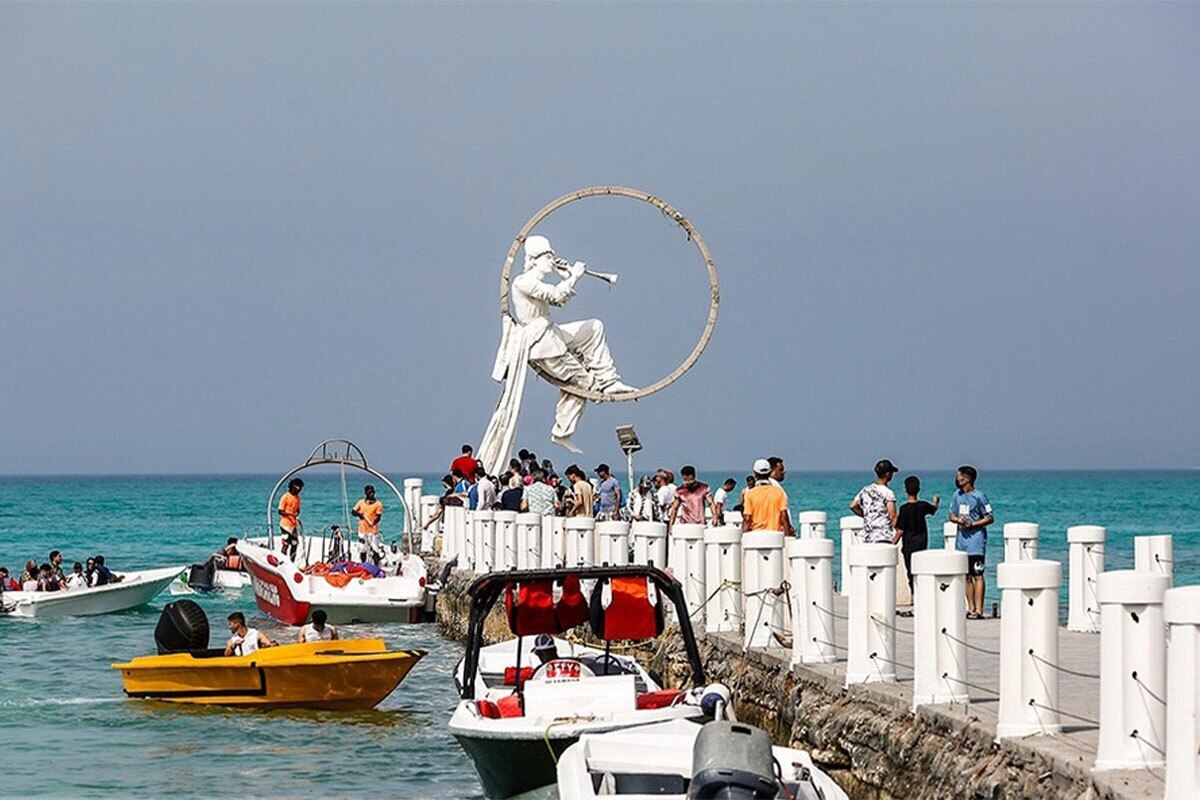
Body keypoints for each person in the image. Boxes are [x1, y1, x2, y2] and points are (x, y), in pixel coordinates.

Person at [493, 235, 636, 455]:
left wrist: (566, 277)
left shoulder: (537, 281)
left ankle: (608, 380)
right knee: (584, 384)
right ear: (535, 259)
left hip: (552, 331)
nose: (552, 259)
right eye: (548, 256)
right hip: (543, 344)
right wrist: (574, 277)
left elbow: (561, 300)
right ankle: (562, 431)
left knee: (594, 327)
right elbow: (556, 295)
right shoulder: (523, 281)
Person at [949, 465, 993, 620]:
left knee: (978, 575)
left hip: (976, 543)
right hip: (961, 543)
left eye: (959, 476)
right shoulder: (957, 495)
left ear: (967, 478)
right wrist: (957, 520)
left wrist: (973, 524)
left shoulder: (980, 496)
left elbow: (989, 517)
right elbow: (951, 515)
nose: (957, 478)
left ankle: (980, 609)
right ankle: (971, 607)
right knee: (966, 576)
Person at [892, 476, 940, 613]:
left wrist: (893, 541)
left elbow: (900, 529)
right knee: (921, 571)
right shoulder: (923, 506)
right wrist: (936, 502)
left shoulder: (904, 509)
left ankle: (915, 599)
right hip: (922, 544)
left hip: (909, 545)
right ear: (919, 489)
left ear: (905, 490)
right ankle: (922, 598)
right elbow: (934, 509)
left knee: (910, 573)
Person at [850, 460, 899, 544]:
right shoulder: (888, 492)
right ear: (887, 474)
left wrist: (866, 515)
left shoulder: (865, 490)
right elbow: (892, 516)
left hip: (868, 536)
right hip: (884, 536)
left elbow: (853, 506)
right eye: (891, 472)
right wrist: (899, 532)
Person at [742, 459, 792, 534]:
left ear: (755, 474)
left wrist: (743, 537)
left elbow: (747, 519)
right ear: (769, 473)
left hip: (757, 535)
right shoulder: (778, 492)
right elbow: (784, 517)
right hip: (774, 536)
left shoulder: (750, 494)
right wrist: (788, 536)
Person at [351, 484, 385, 566]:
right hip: (362, 530)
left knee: (375, 549)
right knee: (363, 549)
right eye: (370, 492)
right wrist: (360, 515)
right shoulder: (361, 502)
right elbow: (353, 512)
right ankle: (363, 564)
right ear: (366, 493)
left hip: (373, 531)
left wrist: (373, 522)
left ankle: (376, 565)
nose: (372, 494)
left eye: (373, 492)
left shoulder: (378, 504)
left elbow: (378, 517)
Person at [277, 478, 304, 561]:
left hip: (293, 524)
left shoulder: (297, 497)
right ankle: (283, 561)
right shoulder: (285, 497)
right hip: (285, 524)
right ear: (293, 486)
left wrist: (296, 513)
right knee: (285, 544)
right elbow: (280, 511)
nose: (299, 490)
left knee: (294, 543)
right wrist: (290, 514)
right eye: (298, 487)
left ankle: (291, 562)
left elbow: (297, 509)